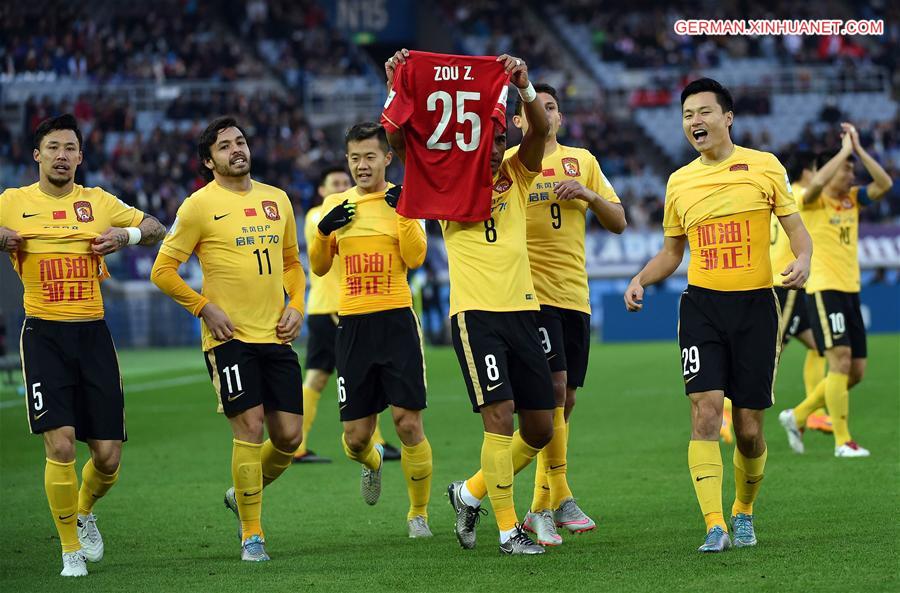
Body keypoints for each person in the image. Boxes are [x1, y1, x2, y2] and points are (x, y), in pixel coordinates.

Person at [624, 79, 812, 552]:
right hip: (702, 306)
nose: (695, 122)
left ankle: (743, 511)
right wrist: (641, 279)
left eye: (704, 112)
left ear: (727, 118)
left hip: (755, 307)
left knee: (748, 430)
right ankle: (714, 524)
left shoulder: (765, 167)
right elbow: (671, 253)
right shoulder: (679, 181)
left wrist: (804, 259)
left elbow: (797, 231)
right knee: (705, 410)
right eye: (688, 115)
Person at [384, 49, 555, 555]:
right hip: (475, 313)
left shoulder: (515, 174)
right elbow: (399, 138)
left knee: (541, 427)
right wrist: (398, 83)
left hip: (524, 308)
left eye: (502, 135)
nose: (496, 142)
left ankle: (470, 492)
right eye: (491, 135)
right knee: (499, 417)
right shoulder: (440, 180)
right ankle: (508, 531)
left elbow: (541, 134)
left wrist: (524, 87)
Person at [0, 114, 165, 577]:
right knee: (62, 444)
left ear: (80, 156)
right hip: (44, 334)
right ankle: (70, 549)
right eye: (53, 147)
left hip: (93, 333)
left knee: (108, 457)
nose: (62, 155)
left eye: (70, 148)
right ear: (37, 154)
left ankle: (84, 509)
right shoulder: (12, 202)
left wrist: (124, 235)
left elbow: (155, 226)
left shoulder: (97, 201)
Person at [150, 117, 306, 562]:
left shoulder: (278, 200)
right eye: (224, 146)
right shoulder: (197, 206)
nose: (236, 149)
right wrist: (204, 307)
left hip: (276, 336)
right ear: (208, 160)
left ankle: (242, 493)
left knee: (290, 438)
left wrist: (296, 304)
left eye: (240, 141)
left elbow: (293, 263)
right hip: (229, 337)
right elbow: (161, 271)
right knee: (250, 427)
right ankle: (252, 534)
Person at [507, 83, 627, 545]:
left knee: (566, 399)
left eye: (552, 107)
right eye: (536, 109)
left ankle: (556, 495)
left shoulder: (583, 160)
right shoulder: (512, 164)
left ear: (559, 115)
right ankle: (542, 506)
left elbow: (618, 221)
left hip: (575, 294)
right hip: (528, 295)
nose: (545, 114)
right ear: (520, 121)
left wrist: (588, 195)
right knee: (551, 392)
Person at [308, 122, 433, 537]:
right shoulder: (336, 205)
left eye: (369, 157)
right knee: (357, 438)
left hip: (397, 320)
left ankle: (418, 515)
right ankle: (373, 462)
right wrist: (324, 232)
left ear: (387, 158)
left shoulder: (404, 199)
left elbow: (415, 257)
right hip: (354, 327)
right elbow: (320, 267)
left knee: (407, 423)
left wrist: (404, 214)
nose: (362, 165)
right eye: (355, 158)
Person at [779, 122, 893, 458]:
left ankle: (798, 414)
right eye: (847, 168)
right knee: (839, 361)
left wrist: (857, 150)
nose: (851, 174)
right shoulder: (811, 201)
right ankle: (843, 441)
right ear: (829, 171)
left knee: (855, 372)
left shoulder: (851, 200)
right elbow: (814, 185)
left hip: (850, 289)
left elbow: (884, 184)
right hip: (824, 288)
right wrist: (842, 150)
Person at [294, 166, 402, 464]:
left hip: (329, 307)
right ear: (321, 190)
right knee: (361, 372)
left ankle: (298, 443)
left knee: (317, 377)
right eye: (334, 183)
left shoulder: (351, 211)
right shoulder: (320, 215)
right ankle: (374, 442)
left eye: (344, 182)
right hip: (333, 307)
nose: (341, 186)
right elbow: (322, 233)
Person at [768, 152, 830, 436]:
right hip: (785, 283)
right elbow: (820, 185)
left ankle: (814, 412)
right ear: (807, 172)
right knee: (768, 355)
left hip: (787, 282)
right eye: (816, 169)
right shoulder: (800, 194)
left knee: (819, 345)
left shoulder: (777, 198)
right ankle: (728, 413)